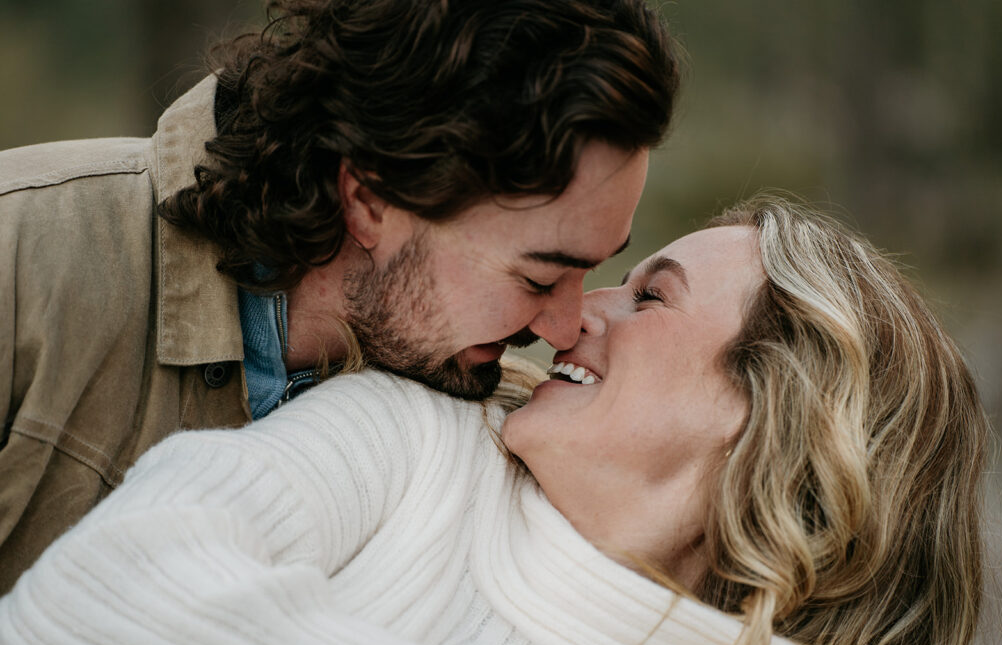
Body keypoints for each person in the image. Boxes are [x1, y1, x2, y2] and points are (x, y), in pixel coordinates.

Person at [0, 195, 988, 645]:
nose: (571, 317)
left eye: (650, 295)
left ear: (768, 406)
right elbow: (90, 602)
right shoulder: (418, 439)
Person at [0, 0, 681, 592]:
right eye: (537, 278)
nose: (566, 325)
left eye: (590, 271)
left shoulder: (507, 419)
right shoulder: (24, 264)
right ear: (370, 199)